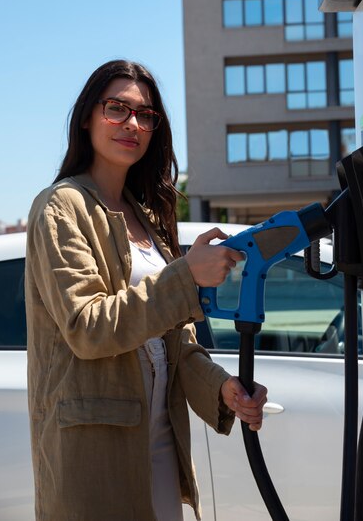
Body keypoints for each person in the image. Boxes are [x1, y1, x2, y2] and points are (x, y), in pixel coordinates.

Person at [25, 59, 267, 521]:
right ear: (86, 116)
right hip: (95, 459)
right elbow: (87, 327)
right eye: (117, 108)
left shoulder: (149, 219)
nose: (132, 123)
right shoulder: (61, 206)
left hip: (160, 446)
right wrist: (185, 276)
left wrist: (224, 390)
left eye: (146, 115)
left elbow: (175, 342)